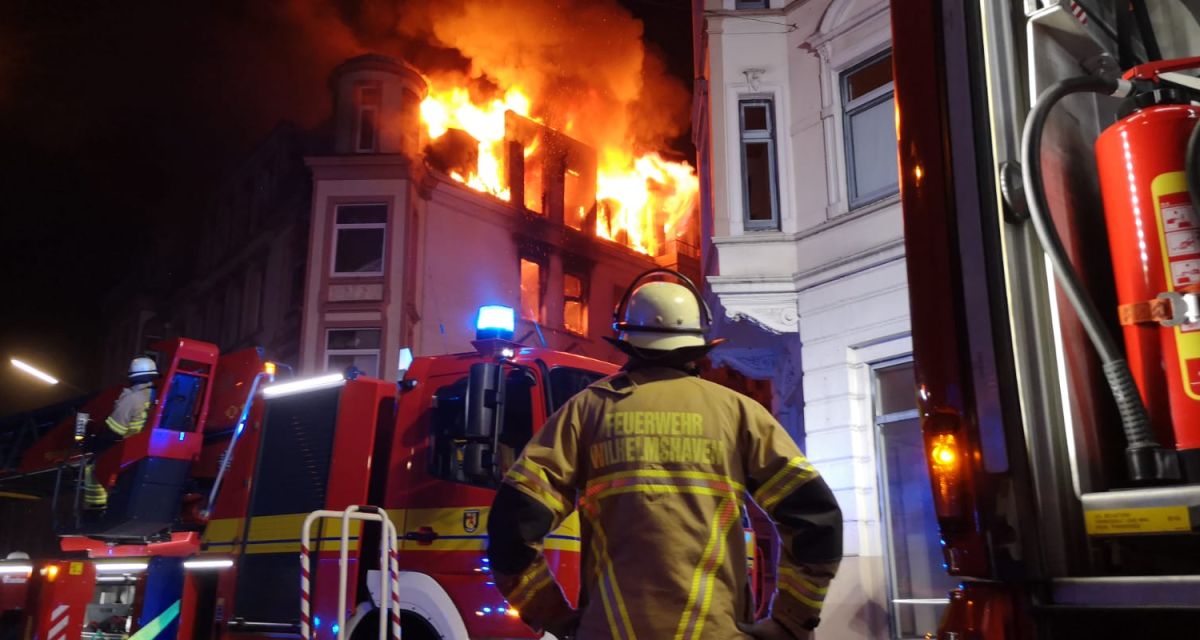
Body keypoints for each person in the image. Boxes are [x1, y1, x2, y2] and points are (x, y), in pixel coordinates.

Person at [487, 270, 843, 640]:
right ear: (698, 343)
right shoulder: (739, 413)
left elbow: (511, 530)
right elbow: (816, 520)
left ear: (626, 338)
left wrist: (558, 618)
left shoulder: (586, 412)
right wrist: (790, 619)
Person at [82, 356, 158, 510]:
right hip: (146, 449)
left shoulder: (132, 399)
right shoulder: (155, 396)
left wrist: (89, 441)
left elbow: (114, 431)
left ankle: (96, 508)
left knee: (93, 467)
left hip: (127, 448)